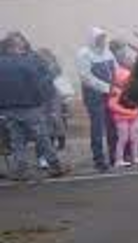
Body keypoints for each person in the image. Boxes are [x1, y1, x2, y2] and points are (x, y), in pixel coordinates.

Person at [0, 32, 67, 180]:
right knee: (42, 137)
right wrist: (51, 74)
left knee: (17, 140)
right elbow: (39, 84)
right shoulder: (25, 62)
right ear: (12, 47)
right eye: (19, 45)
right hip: (29, 107)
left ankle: (20, 170)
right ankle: (55, 166)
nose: (22, 48)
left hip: (8, 109)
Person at [77, 28, 117, 172]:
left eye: (103, 38)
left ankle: (114, 156)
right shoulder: (84, 54)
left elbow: (116, 70)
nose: (102, 40)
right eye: (99, 38)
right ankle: (99, 159)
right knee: (98, 128)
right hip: (94, 96)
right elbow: (86, 77)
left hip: (110, 94)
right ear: (93, 39)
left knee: (113, 125)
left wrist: (118, 85)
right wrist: (107, 87)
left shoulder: (107, 52)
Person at [108, 66, 138, 168]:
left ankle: (135, 157)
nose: (128, 81)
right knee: (123, 138)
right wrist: (129, 112)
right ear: (120, 79)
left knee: (134, 138)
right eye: (126, 79)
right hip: (121, 119)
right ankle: (119, 160)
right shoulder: (116, 90)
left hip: (134, 118)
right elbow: (112, 105)